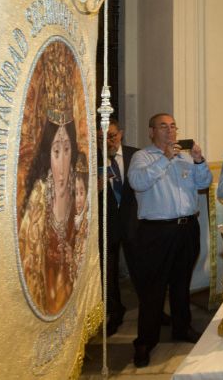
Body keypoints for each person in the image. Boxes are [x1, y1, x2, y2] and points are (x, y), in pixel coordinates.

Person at [127, 113, 212, 368]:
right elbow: (138, 183)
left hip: (186, 229)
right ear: (151, 131)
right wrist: (165, 158)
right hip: (156, 232)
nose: (170, 130)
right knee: (153, 289)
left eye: (173, 126)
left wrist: (198, 161)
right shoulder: (142, 157)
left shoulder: (185, 158)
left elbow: (204, 183)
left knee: (181, 283)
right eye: (163, 126)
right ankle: (145, 341)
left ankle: (181, 327)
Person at [19, 94, 81, 317]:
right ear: (48, 154)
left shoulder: (79, 192)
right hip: (46, 301)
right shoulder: (38, 200)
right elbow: (30, 265)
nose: (63, 162)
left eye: (67, 149)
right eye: (56, 151)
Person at [97, 118, 139, 336]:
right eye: (102, 137)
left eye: (112, 136)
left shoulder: (136, 155)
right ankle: (115, 311)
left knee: (141, 270)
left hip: (133, 222)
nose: (108, 141)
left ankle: (153, 311)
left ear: (121, 133)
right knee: (108, 272)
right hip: (107, 223)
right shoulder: (92, 158)